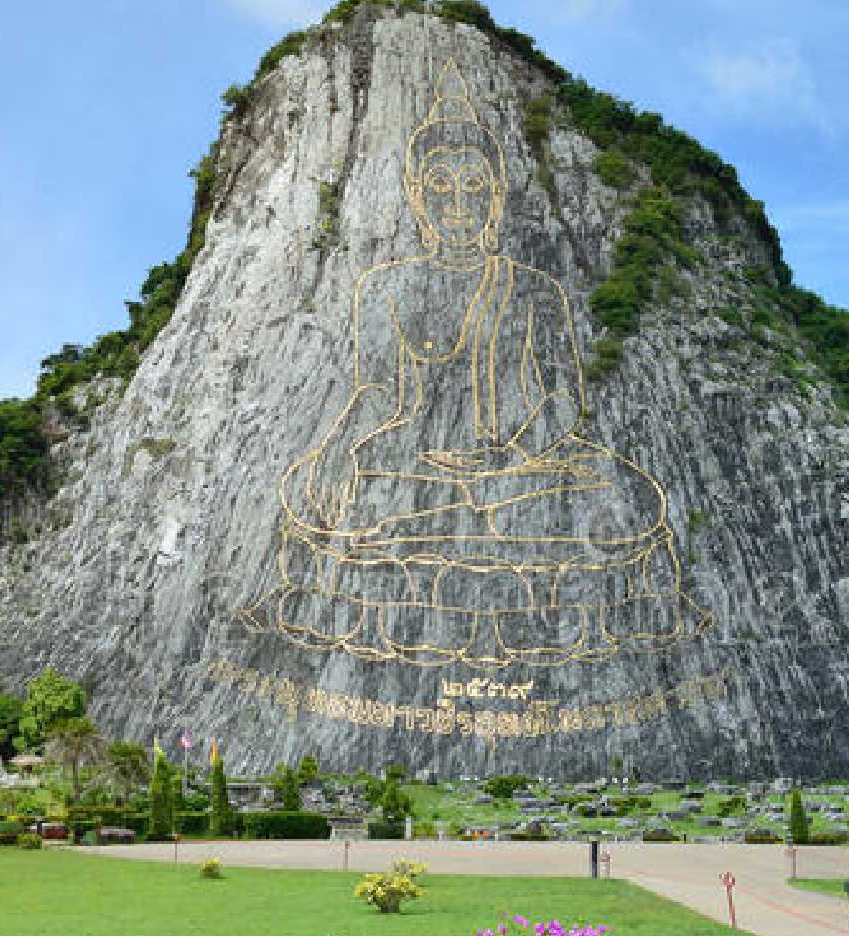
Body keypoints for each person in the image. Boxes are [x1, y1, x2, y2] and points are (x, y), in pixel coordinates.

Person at [246, 61, 707, 667]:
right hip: (421, 466)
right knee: (343, 491)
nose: (457, 201)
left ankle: (467, 556)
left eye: (474, 185)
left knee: (618, 491)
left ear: (495, 195)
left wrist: (513, 455)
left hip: (522, 467)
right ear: (415, 194)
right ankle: (457, 555)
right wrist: (339, 447)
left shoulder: (535, 288)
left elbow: (565, 397)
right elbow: (380, 392)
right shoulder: (388, 286)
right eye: (440, 184)